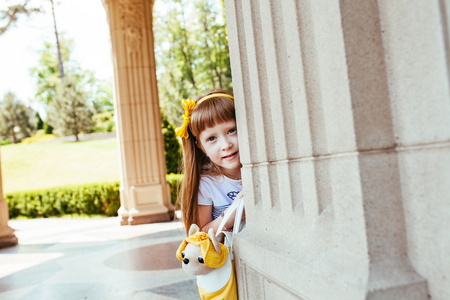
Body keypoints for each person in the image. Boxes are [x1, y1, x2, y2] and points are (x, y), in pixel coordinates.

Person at [176, 89, 243, 236]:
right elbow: (201, 233)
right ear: (201, 146)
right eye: (212, 138)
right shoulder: (207, 183)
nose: (226, 145)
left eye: (232, 130)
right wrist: (234, 213)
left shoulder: (261, 168)